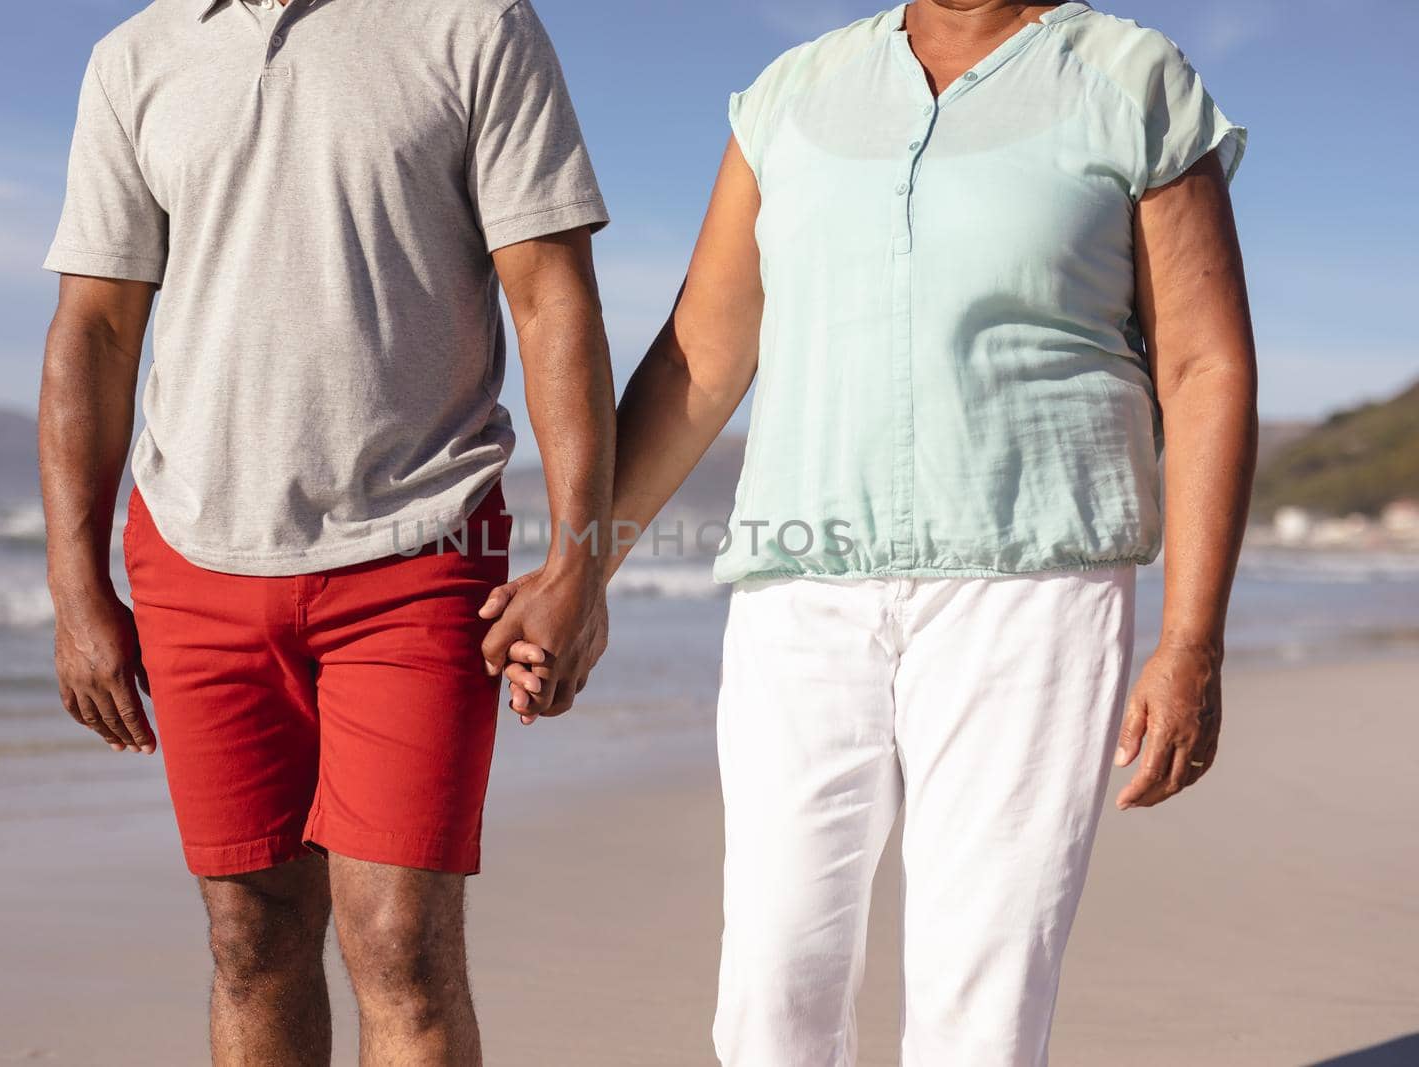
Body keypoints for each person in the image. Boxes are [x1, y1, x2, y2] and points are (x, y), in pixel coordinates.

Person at [486, 2, 1256, 1064]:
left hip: (1029, 590)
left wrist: (1191, 641)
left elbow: (1202, 365)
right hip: (799, 596)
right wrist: (583, 567)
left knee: (978, 999)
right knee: (768, 991)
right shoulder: (792, 95)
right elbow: (698, 361)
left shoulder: (1128, 77)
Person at [38, 0, 614, 1063]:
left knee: (400, 940)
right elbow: (97, 326)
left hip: (419, 549)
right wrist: (75, 589)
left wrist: (582, 559)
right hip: (192, 558)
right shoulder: (136, 56)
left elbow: (551, 299)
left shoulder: (472, 24)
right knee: (249, 932)